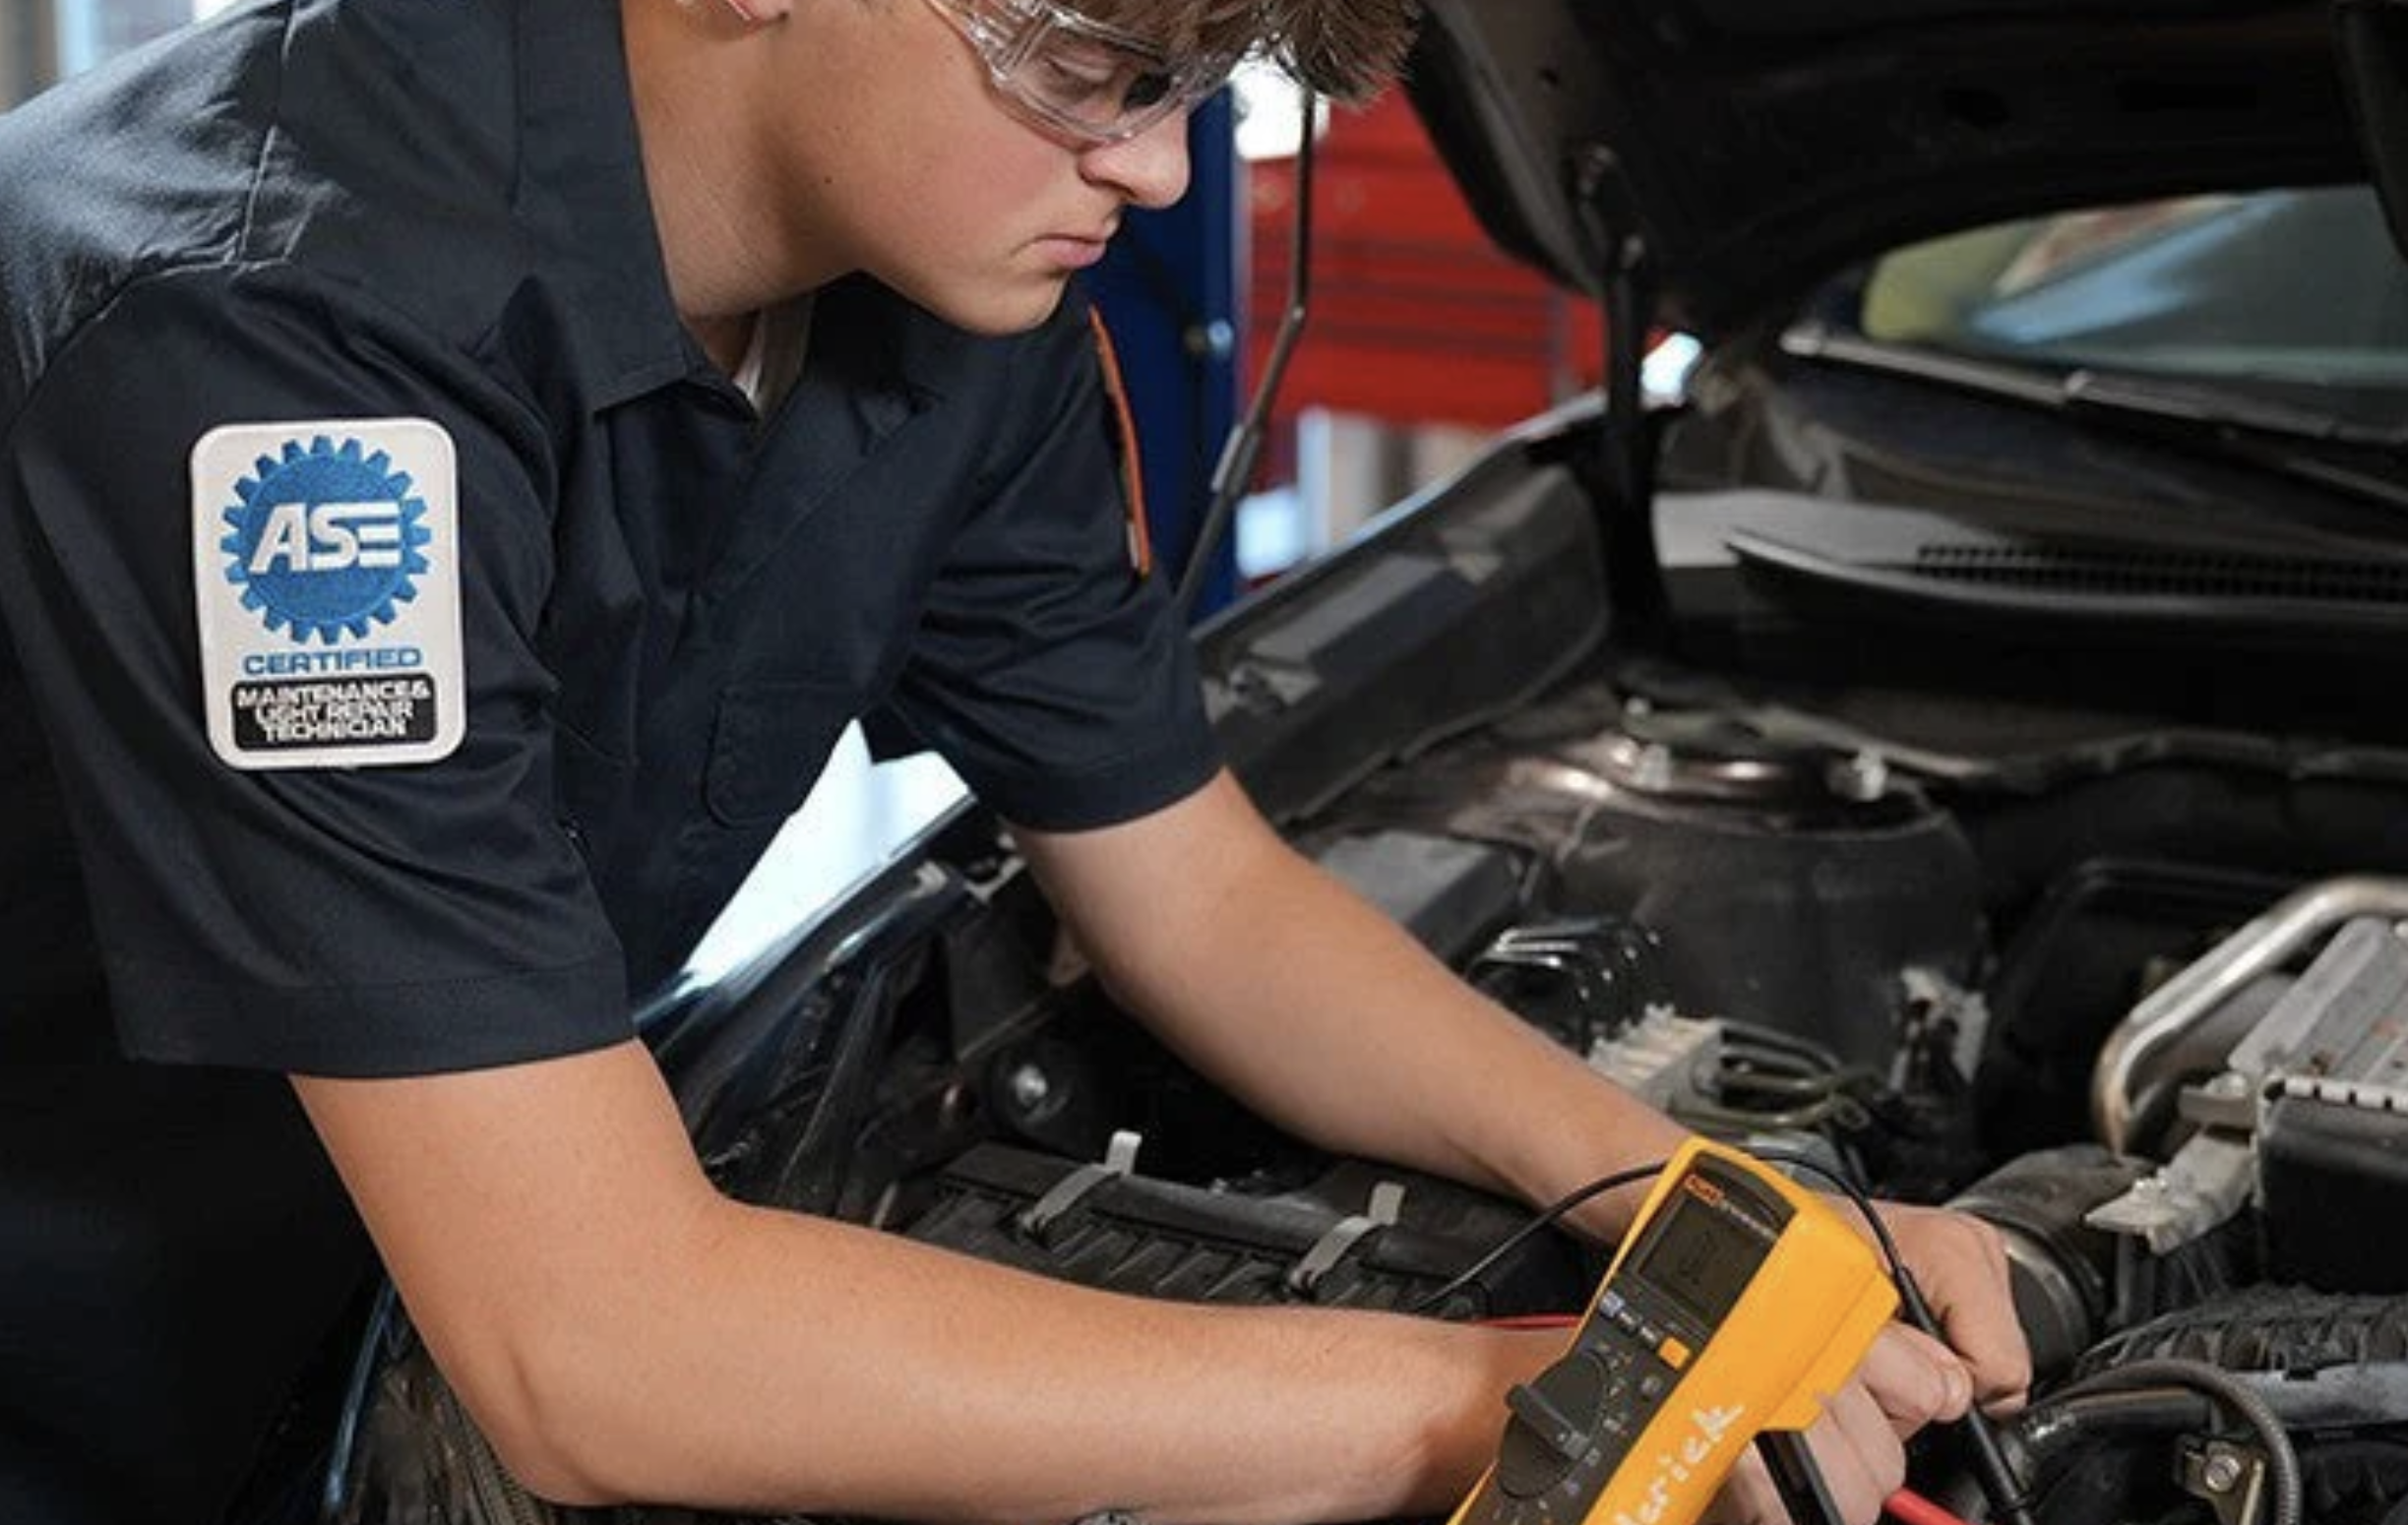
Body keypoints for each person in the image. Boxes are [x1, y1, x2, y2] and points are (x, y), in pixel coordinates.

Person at [0, 1, 2029, 1521]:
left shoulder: (949, 305)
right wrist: (1501, 1400)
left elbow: (1201, 893)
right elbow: (594, 1351)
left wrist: (1692, 1200)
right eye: (1094, 67)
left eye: (1194, 88)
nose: (1154, 170)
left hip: (416, 1251)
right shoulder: (273, 358)